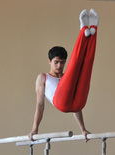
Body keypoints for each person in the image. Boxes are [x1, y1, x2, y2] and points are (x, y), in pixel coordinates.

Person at [28, 9, 99, 143]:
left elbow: (76, 109)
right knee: (77, 65)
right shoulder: (43, 77)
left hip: (77, 104)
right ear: (49, 61)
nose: (59, 66)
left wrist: (83, 129)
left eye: (62, 63)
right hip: (60, 102)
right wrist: (35, 129)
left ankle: (93, 30)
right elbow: (40, 104)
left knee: (86, 67)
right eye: (56, 62)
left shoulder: (68, 77)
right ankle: (83, 32)